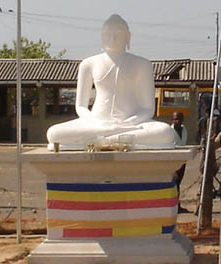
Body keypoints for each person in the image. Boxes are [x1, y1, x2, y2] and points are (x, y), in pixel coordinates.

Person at [46, 14, 175, 150]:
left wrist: (128, 123)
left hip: (131, 124)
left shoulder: (143, 64)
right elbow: (81, 107)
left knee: (165, 132)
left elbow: (148, 109)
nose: (112, 39)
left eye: (118, 34)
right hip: (96, 122)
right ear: (101, 36)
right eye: (108, 34)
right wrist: (98, 123)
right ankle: (114, 138)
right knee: (54, 133)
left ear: (128, 36)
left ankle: (105, 139)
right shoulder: (88, 64)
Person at [171, 112, 188, 212]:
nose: (176, 121)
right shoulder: (170, 131)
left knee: (178, 183)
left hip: (182, 160)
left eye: (178, 119)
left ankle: (177, 205)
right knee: (174, 183)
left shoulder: (184, 129)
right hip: (174, 161)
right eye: (174, 119)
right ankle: (174, 206)